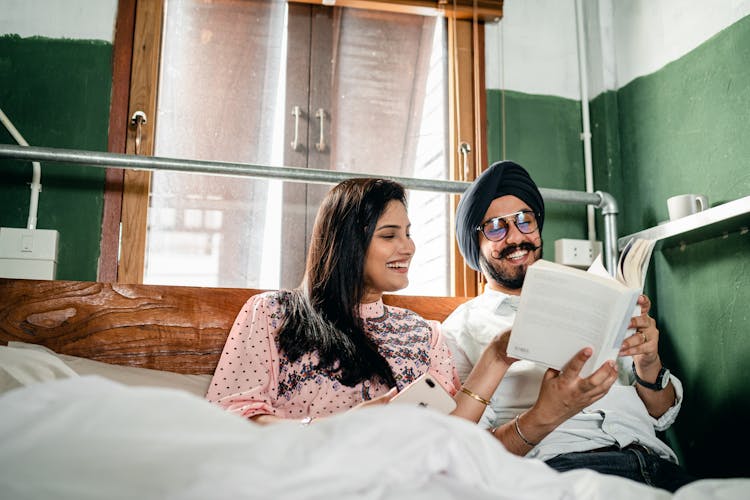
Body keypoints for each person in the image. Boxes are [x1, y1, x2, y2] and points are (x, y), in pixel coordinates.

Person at [442, 160, 696, 492]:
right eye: (495, 227)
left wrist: (648, 364)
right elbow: (470, 451)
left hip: (657, 464)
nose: (516, 237)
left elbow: (662, 414)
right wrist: (546, 413)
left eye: (524, 220)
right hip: (563, 471)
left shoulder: (595, 296)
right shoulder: (461, 329)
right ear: (474, 244)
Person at [206, 177, 509, 426]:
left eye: (408, 233)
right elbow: (233, 415)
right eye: (389, 235)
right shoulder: (273, 313)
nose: (409, 247)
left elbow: (453, 428)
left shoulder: (424, 334)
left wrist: (496, 357)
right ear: (347, 243)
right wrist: (338, 429)